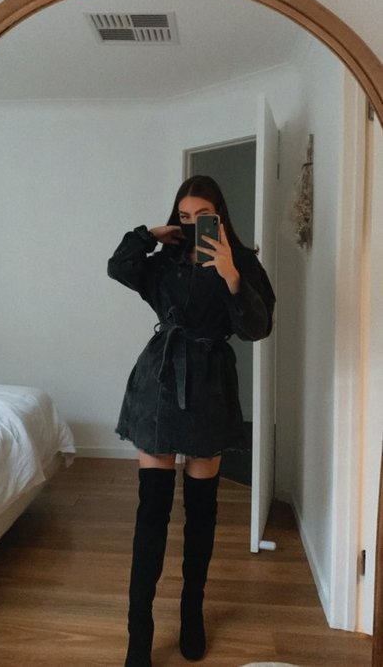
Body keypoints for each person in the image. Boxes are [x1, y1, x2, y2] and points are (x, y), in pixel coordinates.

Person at [107, 175, 275, 666]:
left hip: (209, 388)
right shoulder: (165, 261)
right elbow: (118, 267)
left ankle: (192, 614)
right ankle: (139, 632)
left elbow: (257, 328)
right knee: (151, 512)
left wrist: (231, 275)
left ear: (219, 214)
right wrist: (151, 234)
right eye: (184, 216)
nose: (192, 224)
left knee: (201, 514)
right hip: (159, 382)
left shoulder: (241, 262)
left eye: (202, 215)